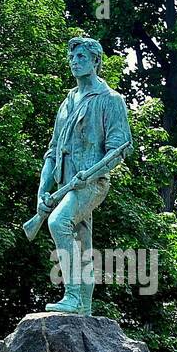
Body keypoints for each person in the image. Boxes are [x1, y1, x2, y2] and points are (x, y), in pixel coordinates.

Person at [36, 36, 133, 315]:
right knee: (82, 242)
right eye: (71, 57)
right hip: (64, 185)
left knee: (58, 222)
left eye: (81, 57)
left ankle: (73, 295)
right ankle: (85, 306)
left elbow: (118, 149)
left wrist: (90, 175)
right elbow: (52, 150)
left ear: (95, 61)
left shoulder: (111, 100)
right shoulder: (67, 102)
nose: (74, 62)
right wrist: (43, 190)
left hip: (92, 183)